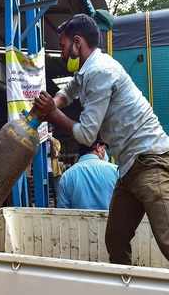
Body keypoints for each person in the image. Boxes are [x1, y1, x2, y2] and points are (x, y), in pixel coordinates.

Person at [33, 14, 169, 265]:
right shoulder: (87, 72)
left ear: (77, 43)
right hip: (129, 167)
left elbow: (86, 133)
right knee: (116, 241)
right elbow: (69, 91)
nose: (62, 55)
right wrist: (53, 104)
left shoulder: (99, 71)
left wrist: (52, 113)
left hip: (150, 160)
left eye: (63, 47)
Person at [57, 139, 118, 210]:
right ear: (98, 147)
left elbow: (63, 213)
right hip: (110, 221)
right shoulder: (115, 171)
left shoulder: (66, 176)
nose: (104, 152)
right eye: (103, 148)